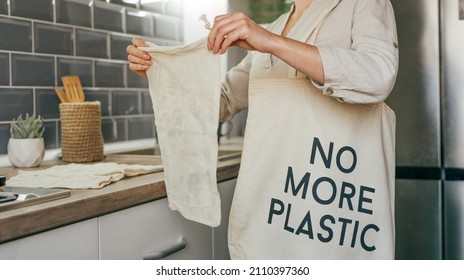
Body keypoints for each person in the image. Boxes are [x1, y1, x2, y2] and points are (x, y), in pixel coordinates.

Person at [127, 0, 399, 259]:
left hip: (327, 213)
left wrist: (270, 43)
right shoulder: (273, 29)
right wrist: (161, 69)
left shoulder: (361, 5)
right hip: (272, 214)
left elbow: (378, 75)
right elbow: (219, 104)